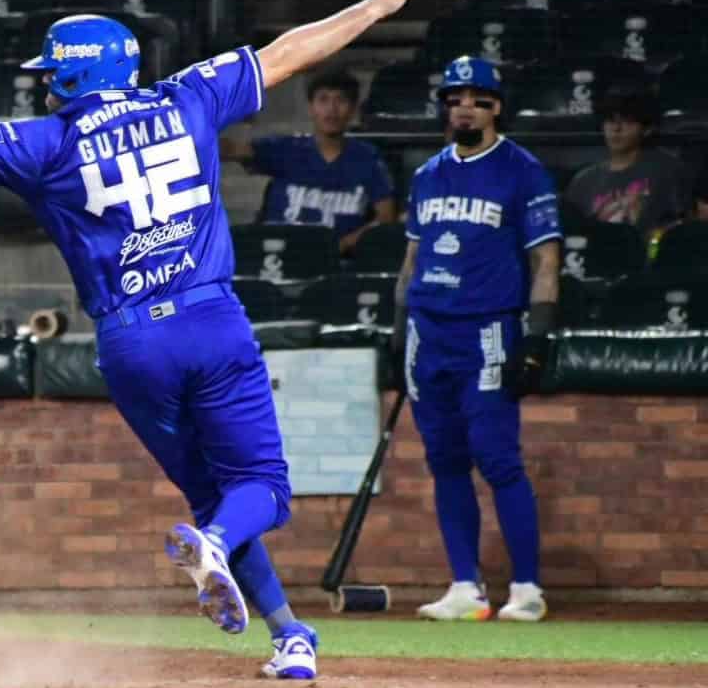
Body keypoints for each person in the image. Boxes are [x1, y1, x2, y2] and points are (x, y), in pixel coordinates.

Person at [0, 0, 433, 680]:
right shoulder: (188, 97)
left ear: (69, 76)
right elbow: (287, 54)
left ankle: (288, 635)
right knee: (262, 491)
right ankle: (220, 551)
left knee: (211, 497)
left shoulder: (51, 144)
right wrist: (372, 8)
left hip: (129, 343)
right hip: (209, 317)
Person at [393, 56, 562, 624]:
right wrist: (398, 331)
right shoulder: (426, 175)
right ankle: (465, 586)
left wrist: (537, 335)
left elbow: (545, 260)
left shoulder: (524, 171)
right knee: (444, 460)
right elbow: (411, 257)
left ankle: (527, 588)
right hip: (428, 330)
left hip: (488, 327)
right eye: (455, 97)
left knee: (498, 459)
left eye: (478, 98)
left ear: (497, 107)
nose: (465, 107)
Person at [221, 66, 395, 254]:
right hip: (278, 255)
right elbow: (231, 150)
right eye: (323, 100)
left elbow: (386, 216)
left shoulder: (367, 159)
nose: (332, 109)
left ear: (353, 110)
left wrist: (344, 244)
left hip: (340, 264)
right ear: (311, 108)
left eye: (341, 100)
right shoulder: (286, 149)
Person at [563, 87, 687, 239]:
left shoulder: (668, 171)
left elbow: (681, 225)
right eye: (610, 121)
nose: (616, 129)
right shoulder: (583, 181)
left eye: (627, 122)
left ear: (647, 129)